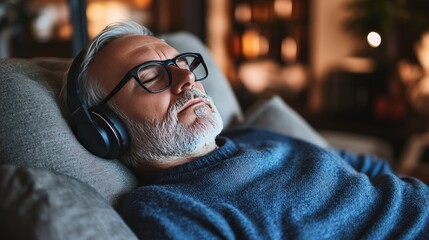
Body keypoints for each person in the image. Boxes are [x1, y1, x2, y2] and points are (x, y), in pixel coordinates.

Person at [61, 21, 429, 239]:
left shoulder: (255, 138)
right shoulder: (166, 210)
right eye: (152, 75)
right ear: (105, 128)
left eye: (181, 62)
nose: (187, 77)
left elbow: (377, 172)